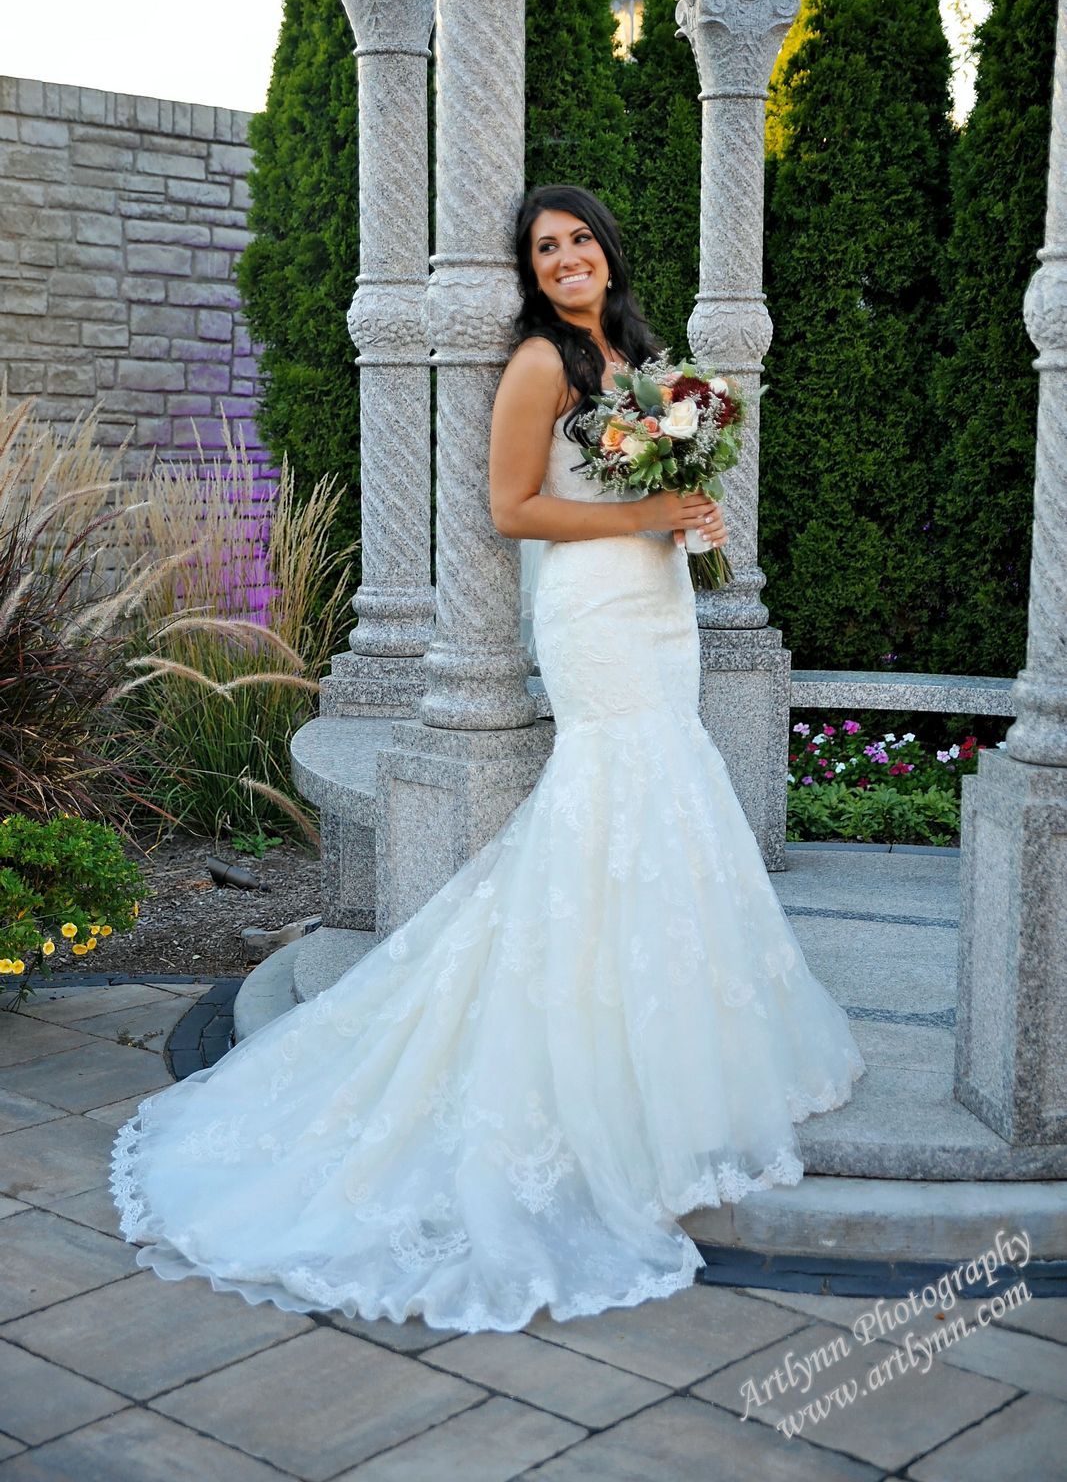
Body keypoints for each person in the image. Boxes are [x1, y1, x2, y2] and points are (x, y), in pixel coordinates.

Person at [109, 185, 866, 1335]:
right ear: (530, 271)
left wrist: (687, 513)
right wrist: (643, 510)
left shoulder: (636, 358)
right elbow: (511, 508)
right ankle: (589, 1070)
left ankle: (675, 1050)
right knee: (616, 797)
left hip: (657, 606)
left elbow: (647, 486)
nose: (564, 259)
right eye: (543, 249)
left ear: (610, 251)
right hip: (592, 617)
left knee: (668, 794)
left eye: (577, 242)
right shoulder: (535, 365)